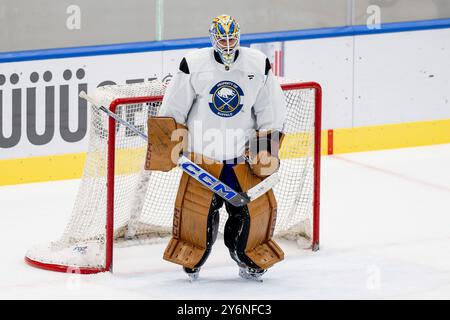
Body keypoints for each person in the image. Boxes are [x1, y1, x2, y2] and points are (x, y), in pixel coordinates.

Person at [145, 14, 287, 281]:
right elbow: (175, 108)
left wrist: (266, 146)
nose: (228, 43)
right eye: (222, 38)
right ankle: (193, 256)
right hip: (202, 158)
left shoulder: (258, 63)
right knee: (197, 215)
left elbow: (271, 108)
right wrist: (169, 143)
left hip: (241, 158)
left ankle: (249, 257)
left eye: (232, 37)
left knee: (249, 213)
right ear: (213, 39)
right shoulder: (193, 64)